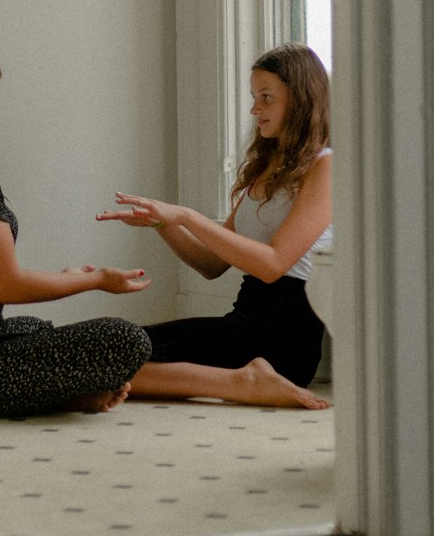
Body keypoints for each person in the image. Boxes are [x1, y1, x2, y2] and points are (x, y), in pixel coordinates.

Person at [0, 43, 153, 419]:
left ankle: (65, 396)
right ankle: (65, 394)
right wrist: (96, 279)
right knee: (126, 339)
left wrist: (67, 277)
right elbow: (8, 285)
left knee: (32, 328)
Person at [96, 43, 332, 411]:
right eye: (255, 97)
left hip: (284, 338)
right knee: (107, 349)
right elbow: (212, 264)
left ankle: (250, 381)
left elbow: (273, 264)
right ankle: (241, 381)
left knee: (101, 366)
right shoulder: (267, 167)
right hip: (246, 321)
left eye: (266, 97)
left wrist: (188, 216)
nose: (255, 109)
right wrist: (161, 222)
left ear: (301, 99)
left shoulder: (325, 166)